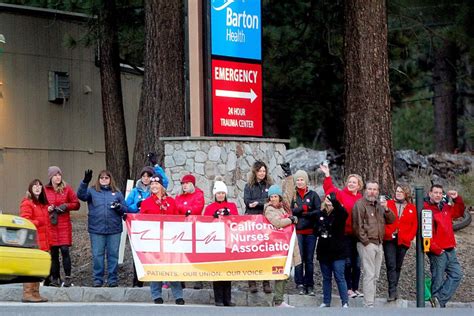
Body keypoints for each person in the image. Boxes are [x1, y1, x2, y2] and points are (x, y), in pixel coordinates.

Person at [77, 169, 127, 287]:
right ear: (98, 180)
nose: (104, 180)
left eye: (106, 178)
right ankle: (98, 279)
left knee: (113, 255)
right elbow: (80, 195)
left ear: (110, 179)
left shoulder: (117, 193)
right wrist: (85, 182)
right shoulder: (92, 191)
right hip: (97, 229)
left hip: (114, 229)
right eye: (102, 178)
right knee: (97, 255)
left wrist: (119, 207)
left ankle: (112, 279)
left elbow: (125, 209)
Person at [320, 163, 364, 298]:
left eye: (354, 182)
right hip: (344, 234)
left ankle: (355, 288)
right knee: (348, 262)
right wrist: (327, 175)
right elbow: (329, 190)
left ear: (359, 185)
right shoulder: (341, 194)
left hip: (357, 235)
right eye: (349, 182)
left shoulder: (361, 199)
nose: (351, 184)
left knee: (357, 264)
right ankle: (349, 288)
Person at [140, 174, 184, 305]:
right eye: (152, 184)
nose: (154, 186)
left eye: (156, 184)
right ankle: (156, 295)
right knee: (155, 267)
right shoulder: (146, 203)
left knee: (172, 268)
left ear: (162, 186)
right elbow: (141, 220)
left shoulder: (170, 202)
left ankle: (178, 295)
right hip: (154, 240)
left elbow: (177, 217)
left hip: (169, 239)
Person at [352, 181, 395, 307]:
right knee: (369, 274)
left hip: (379, 243)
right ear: (365, 190)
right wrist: (365, 241)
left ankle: (371, 300)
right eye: (370, 189)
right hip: (367, 243)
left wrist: (386, 208)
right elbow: (357, 226)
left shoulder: (379, 205)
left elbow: (391, 220)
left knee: (375, 275)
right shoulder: (360, 204)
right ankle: (368, 303)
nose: (372, 192)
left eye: (375, 189)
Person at [126, 164, 167, 287]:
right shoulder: (135, 191)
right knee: (139, 253)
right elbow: (127, 206)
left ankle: (160, 280)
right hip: (139, 226)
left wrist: (157, 167)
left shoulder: (155, 189)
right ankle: (138, 280)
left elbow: (164, 181)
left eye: (148, 176)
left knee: (157, 254)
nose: (145, 178)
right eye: (143, 176)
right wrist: (137, 206)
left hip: (154, 227)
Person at [424, 184, 465, 308]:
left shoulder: (446, 207)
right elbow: (425, 232)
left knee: (457, 274)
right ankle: (437, 306)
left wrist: (457, 198)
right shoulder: (426, 209)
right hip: (437, 250)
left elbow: (459, 212)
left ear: (442, 195)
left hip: (450, 249)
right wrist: (435, 249)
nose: (437, 195)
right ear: (430, 194)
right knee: (438, 279)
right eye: (435, 192)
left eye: (440, 193)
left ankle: (439, 300)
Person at [203, 180, 238, 307]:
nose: (221, 195)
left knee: (227, 269)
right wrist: (212, 217)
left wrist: (231, 216)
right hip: (215, 241)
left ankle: (227, 298)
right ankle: (218, 298)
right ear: (215, 194)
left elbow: (237, 221)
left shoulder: (232, 206)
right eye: (218, 193)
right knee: (217, 270)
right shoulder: (210, 207)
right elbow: (204, 224)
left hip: (228, 241)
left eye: (223, 193)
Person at [263, 184, 300, 308]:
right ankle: (278, 300)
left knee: (286, 271)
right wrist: (291, 220)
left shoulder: (282, 208)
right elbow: (277, 223)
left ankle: (279, 299)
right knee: (282, 271)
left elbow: (289, 193)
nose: (273, 199)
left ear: (279, 197)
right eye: (271, 197)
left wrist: (292, 218)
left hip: (286, 244)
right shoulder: (269, 209)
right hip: (277, 246)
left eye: (275, 196)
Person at [44, 166, 80, 287]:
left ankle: (68, 277)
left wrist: (66, 206)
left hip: (64, 224)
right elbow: (40, 205)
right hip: (51, 224)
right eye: (55, 175)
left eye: (59, 174)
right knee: (53, 253)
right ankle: (55, 278)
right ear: (51, 177)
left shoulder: (67, 189)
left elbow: (76, 204)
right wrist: (47, 208)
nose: (58, 177)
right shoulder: (45, 190)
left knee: (65, 250)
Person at [383, 183, 417, 301]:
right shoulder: (389, 204)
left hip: (404, 240)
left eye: (401, 191)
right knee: (391, 265)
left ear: (406, 194)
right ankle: (391, 292)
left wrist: (409, 238)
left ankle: (395, 288)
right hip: (389, 239)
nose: (398, 193)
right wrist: (386, 232)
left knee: (398, 266)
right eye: (397, 191)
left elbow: (414, 225)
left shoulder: (412, 207)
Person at [289, 169, 320, 296]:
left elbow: (318, 211)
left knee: (309, 259)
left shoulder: (313, 195)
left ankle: (310, 285)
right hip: (298, 231)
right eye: (297, 180)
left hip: (311, 232)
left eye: (302, 179)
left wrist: (305, 213)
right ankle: (299, 284)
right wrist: (303, 208)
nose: (300, 182)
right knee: (299, 258)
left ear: (306, 181)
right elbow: (290, 211)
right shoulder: (293, 195)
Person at [244, 160, 273, 293]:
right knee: (252, 252)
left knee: (264, 252)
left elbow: (270, 200)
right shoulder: (248, 186)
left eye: (264, 171)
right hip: (251, 221)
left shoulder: (269, 185)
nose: (262, 173)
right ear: (255, 172)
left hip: (265, 220)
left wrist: (259, 203)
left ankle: (266, 282)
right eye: (260, 171)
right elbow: (247, 201)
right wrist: (254, 203)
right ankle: (252, 282)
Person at [19, 179, 50, 303]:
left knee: (37, 269)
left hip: (43, 241)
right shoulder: (27, 203)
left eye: (39, 186)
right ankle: (27, 294)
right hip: (32, 241)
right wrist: (38, 222)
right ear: (30, 189)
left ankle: (36, 293)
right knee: (31, 268)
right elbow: (24, 221)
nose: (37, 188)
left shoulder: (42, 204)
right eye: (35, 186)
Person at [316, 193, 349, 308]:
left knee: (339, 276)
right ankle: (326, 301)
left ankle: (345, 302)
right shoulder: (320, 213)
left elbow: (344, 214)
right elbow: (315, 228)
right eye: (327, 198)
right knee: (326, 277)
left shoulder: (339, 213)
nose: (329, 200)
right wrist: (319, 229)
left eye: (331, 198)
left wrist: (335, 202)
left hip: (338, 250)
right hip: (324, 249)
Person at [174, 173, 205, 289]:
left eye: (187, 183)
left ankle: (198, 280)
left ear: (192, 184)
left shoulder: (198, 194)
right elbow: (175, 208)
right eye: (183, 183)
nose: (184, 185)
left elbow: (197, 209)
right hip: (181, 228)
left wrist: (184, 209)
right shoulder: (179, 195)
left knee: (196, 254)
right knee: (182, 253)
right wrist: (186, 210)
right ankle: (181, 279)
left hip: (194, 227)